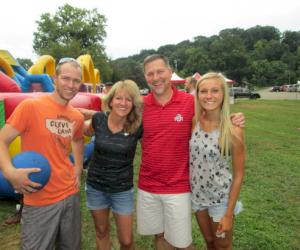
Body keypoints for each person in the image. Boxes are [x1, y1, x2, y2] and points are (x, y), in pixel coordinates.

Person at [137, 54, 245, 250]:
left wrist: (234, 118)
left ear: (170, 72)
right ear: (145, 77)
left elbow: (216, 114)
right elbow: (117, 113)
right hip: (174, 190)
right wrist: (90, 116)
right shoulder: (142, 106)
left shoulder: (188, 104)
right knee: (190, 240)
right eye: (150, 74)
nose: (155, 77)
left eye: (160, 71)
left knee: (204, 244)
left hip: (189, 189)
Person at [0, 57, 84, 249]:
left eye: (76, 80)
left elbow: (78, 139)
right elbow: (2, 141)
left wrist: (78, 167)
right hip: (40, 199)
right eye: (66, 78)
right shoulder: (30, 107)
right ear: (55, 78)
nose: (71, 85)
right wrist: (10, 172)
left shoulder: (76, 116)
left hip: (70, 194)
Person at [84, 80, 143, 250]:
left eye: (128, 99)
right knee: (102, 231)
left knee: (126, 240)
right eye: (119, 98)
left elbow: (150, 150)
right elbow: (81, 132)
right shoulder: (98, 119)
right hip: (96, 186)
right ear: (110, 100)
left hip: (122, 189)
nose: (123, 103)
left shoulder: (137, 126)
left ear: (133, 104)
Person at [190, 72, 245, 250]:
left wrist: (228, 214)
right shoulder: (195, 121)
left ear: (223, 94)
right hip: (198, 197)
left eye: (214, 90)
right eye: (203, 91)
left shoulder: (233, 130)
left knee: (222, 245)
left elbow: (238, 175)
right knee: (210, 242)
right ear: (197, 94)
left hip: (221, 199)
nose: (208, 96)